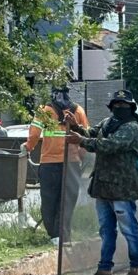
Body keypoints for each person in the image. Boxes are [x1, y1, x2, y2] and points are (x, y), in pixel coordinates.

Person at [65, 89, 138, 275]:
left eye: (124, 105)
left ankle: (137, 267)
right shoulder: (107, 123)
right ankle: (104, 269)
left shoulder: (132, 127)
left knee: (129, 228)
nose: (119, 108)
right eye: (116, 104)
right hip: (103, 185)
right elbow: (91, 133)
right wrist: (76, 127)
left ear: (131, 108)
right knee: (105, 229)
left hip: (122, 187)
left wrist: (82, 140)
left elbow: (108, 145)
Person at [26, 87, 90, 245]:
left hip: (49, 163)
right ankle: (64, 235)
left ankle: (54, 236)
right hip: (72, 163)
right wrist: (84, 160)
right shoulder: (78, 110)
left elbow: (34, 134)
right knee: (67, 201)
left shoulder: (44, 110)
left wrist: (28, 147)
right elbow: (86, 137)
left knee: (49, 200)